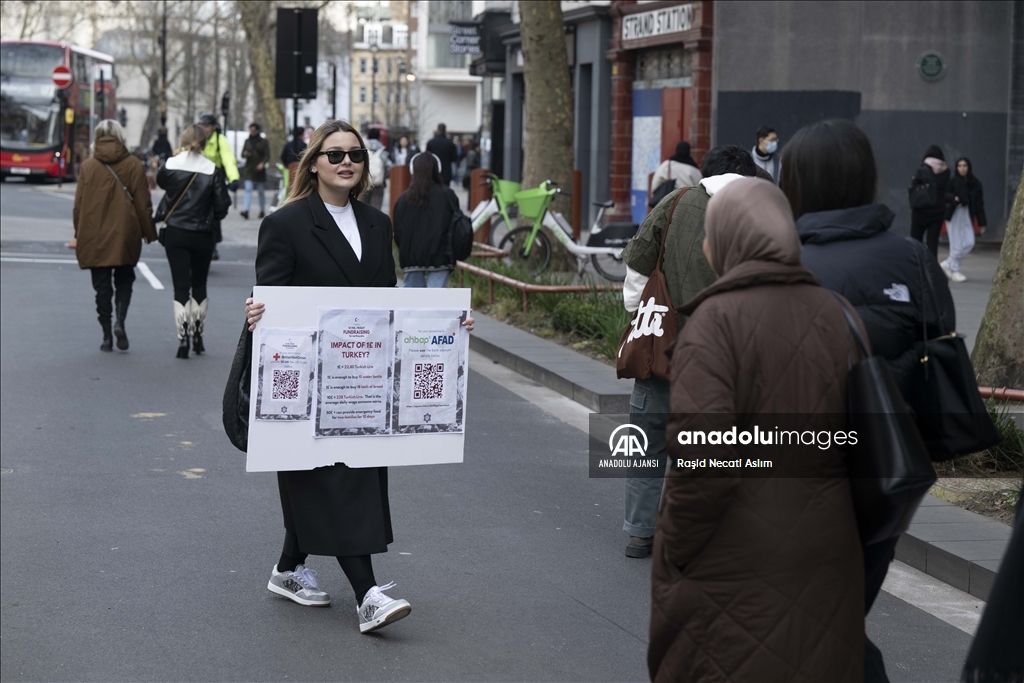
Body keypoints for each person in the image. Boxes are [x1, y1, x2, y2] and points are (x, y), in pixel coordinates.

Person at [243, 119, 475, 634]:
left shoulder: (377, 223)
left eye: (355, 154)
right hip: (307, 387)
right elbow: (273, 301)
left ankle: (287, 570)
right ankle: (367, 595)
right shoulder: (285, 224)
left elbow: (388, 302)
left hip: (364, 385)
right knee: (333, 481)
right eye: (334, 154)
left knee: (349, 478)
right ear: (314, 164)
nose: (346, 161)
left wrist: (447, 325)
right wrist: (259, 315)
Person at [649, 177, 864, 682]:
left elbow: (704, 463)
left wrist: (674, 549)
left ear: (728, 239)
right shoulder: (842, 315)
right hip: (829, 554)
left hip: (733, 561)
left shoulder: (714, 322)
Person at [779, 119, 955, 683]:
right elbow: (942, 357)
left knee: (812, 623)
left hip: (795, 472)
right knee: (838, 616)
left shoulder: (778, 261)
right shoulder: (913, 259)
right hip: (889, 473)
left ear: (795, 182)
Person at [618, 145, 757, 559]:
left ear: (703, 171)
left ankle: (640, 533)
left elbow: (638, 268)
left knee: (646, 445)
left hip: (662, 350)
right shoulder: (760, 214)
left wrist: (642, 311)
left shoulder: (675, 202)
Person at [72, 119, 158, 352]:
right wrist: (149, 233)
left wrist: (78, 233)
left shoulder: (88, 166)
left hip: (94, 233)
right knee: (124, 279)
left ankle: (107, 335)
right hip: (126, 233)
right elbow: (143, 204)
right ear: (120, 137)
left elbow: (79, 205)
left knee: (101, 287)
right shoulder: (133, 165)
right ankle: (120, 320)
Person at [156, 124, 231, 358]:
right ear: (205, 143)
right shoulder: (213, 170)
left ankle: (182, 341)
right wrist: (210, 216)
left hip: (176, 232)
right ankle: (198, 336)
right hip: (202, 234)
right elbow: (222, 206)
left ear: (182, 141)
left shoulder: (170, 166)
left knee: (181, 287)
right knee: (199, 284)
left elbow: (162, 184)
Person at [394, 152, 457, 287]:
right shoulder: (447, 195)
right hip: (441, 257)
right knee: (437, 302)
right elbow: (456, 225)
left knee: (412, 303)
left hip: (412, 258)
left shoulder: (404, 198)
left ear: (412, 170)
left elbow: (398, 231)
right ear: (437, 169)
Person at [198, 113, 239, 261]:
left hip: (214, 181)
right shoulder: (196, 138)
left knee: (215, 213)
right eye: (202, 126)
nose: (204, 129)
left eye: (207, 126)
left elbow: (228, 158)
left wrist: (233, 177)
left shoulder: (219, 139)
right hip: (197, 180)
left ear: (214, 127)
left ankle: (212, 245)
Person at [942, 156, 987, 282]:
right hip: (954, 213)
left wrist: (982, 222)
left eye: (965, 166)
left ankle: (947, 263)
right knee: (956, 244)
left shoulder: (975, 183)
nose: (962, 168)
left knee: (969, 242)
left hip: (967, 214)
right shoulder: (953, 181)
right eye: (959, 166)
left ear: (969, 167)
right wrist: (954, 198)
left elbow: (979, 204)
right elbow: (944, 194)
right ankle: (955, 269)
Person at [909, 145, 950, 258]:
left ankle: (915, 267)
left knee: (915, 242)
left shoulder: (922, 169)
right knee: (933, 243)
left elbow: (914, 188)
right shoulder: (946, 171)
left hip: (920, 210)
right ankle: (932, 271)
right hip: (937, 212)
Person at [240, 122, 270, 220]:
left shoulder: (263, 141)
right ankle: (246, 210)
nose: (252, 132)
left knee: (260, 191)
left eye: (254, 130)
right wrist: (245, 154)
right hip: (249, 169)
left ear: (257, 130)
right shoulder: (247, 141)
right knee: (248, 189)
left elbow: (267, 155)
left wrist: (263, 163)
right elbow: (242, 154)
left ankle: (262, 210)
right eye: (250, 130)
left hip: (259, 169)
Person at [361, 127, 391, 210]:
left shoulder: (362, 147)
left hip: (364, 182)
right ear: (379, 136)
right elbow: (388, 166)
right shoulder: (382, 149)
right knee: (376, 209)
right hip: (378, 183)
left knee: (362, 208)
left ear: (367, 136)